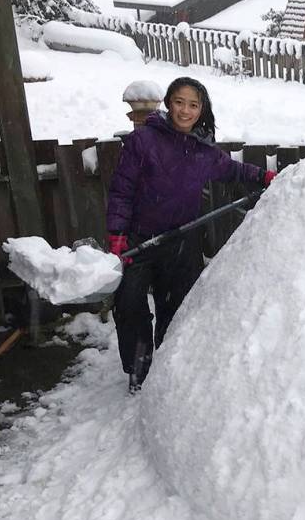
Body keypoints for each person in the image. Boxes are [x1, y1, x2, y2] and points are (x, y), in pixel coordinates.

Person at [106, 76, 275, 394]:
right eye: (180, 102)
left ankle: (168, 368)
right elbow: (122, 188)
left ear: (202, 110)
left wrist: (265, 176)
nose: (185, 110)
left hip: (182, 240)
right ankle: (139, 369)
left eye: (193, 105)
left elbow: (233, 170)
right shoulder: (143, 141)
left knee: (176, 307)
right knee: (130, 305)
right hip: (139, 239)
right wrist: (117, 231)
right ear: (169, 103)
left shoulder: (202, 150)